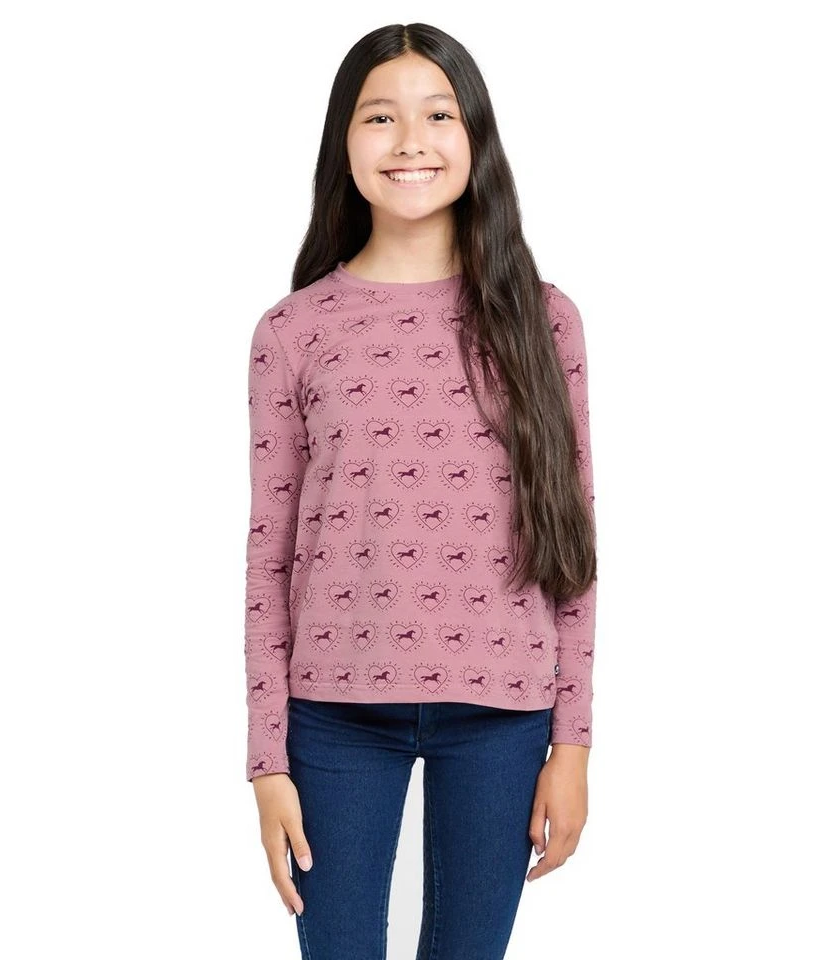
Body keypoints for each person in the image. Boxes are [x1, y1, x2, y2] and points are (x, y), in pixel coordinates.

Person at [244, 22, 598, 960]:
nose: (410, 141)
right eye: (380, 117)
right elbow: (269, 553)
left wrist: (573, 745)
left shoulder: (544, 321)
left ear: (475, 135)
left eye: (439, 115)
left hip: (503, 714)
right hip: (333, 717)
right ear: (343, 140)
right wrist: (267, 760)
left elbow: (574, 544)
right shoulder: (293, 332)